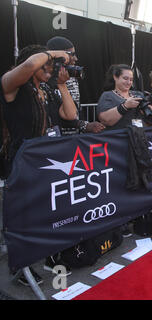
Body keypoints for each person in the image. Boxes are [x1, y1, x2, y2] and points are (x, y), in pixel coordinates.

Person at [0, 45, 77, 285]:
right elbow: (29, 66)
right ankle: (21, 265)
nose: (51, 68)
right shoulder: (11, 84)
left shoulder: (43, 89)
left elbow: (71, 115)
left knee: (44, 211)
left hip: (43, 161)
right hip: (18, 162)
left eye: (52, 65)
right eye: (47, 64)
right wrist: (54, 52)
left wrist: (61, 85)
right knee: (22, 215)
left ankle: (45, 255)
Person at [46, 36, 105, 134]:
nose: (75, 59)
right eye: (71, 54)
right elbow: (55, 115)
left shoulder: (72, 77)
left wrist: (84, 125)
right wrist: (84, 125)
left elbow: (76, 110)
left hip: (75, 138)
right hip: (56, 140)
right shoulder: (45, 81)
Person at [97, 64, 149, 130]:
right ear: (115, 77)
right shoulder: (108, 95)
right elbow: (105, 120)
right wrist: (125, 106)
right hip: (119, 137)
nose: (129, 82)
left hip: (139, 136)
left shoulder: (138, 94)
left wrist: (149, 104)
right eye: (125, 78)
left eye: (131, 79)